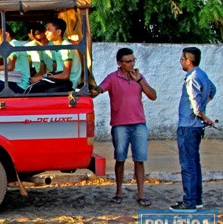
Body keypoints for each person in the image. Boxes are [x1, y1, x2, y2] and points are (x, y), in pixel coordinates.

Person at [92, 48, 157, 206]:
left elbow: (153, 96)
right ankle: (119, 191)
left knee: (139, 159)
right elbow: (99, 90)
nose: (132, 64)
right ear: (119, 63)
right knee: (120, 159)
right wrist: (92, 90)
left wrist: (139, 80)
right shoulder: (112, 78)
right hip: (120, 125)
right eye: (128, 61)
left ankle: (141, 194)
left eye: (133, 60)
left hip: (139, 124)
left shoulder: (139, 77)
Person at [171, 47, 217, 211]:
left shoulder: (192, 78)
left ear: (188, 61)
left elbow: (195, 103)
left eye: (182, 59)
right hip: (196, 127)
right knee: (194, 163)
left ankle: (189, 201)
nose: (180, 61)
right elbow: (212, 90)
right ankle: (196, 199)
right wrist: (204, 106)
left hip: (188, 126)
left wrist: (203, 115)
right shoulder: (202, 74)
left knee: (188, 165)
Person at [27, 18, 81, 93]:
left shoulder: (66, 47)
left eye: (49, 30)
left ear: (58, 32)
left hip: (69, 83)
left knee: (35, 90)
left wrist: (45, 77)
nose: (46, 33)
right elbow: (55, 70)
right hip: (59, 79)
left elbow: (65, 75)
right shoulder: (56, 47)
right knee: (32, 87)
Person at [0, 24, 31, 94]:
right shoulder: (10, 46)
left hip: (20, 85)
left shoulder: (13, 44)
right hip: (13, 80)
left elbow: (10, 66)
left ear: (6, 34)